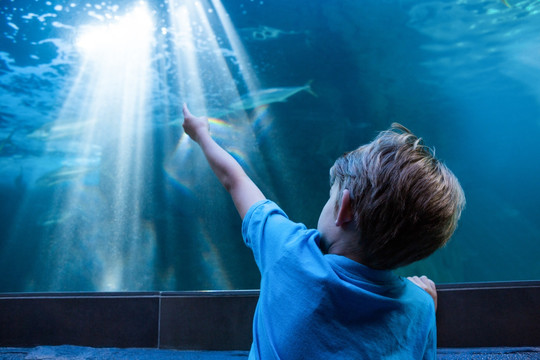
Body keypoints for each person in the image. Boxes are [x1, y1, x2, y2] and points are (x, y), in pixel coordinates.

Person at [182, 104, 465, 359]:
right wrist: (424, 303)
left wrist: (202, 135)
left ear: (344, 208)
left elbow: (235, 179)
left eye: (331, 195)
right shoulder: (420, 309)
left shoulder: (287, 250)